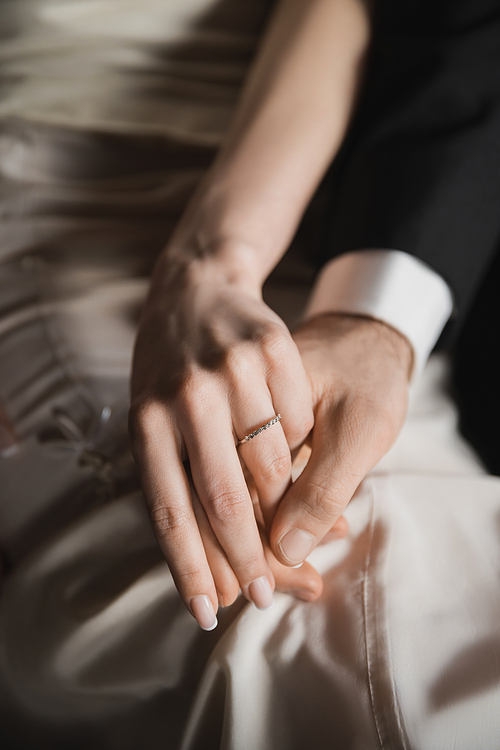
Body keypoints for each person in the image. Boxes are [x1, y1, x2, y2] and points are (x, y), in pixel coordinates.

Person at [1, 0, 500, 748]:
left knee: (430, 585)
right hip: (60, 217)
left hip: (310, 217)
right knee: (292, 634)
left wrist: (222, 260)